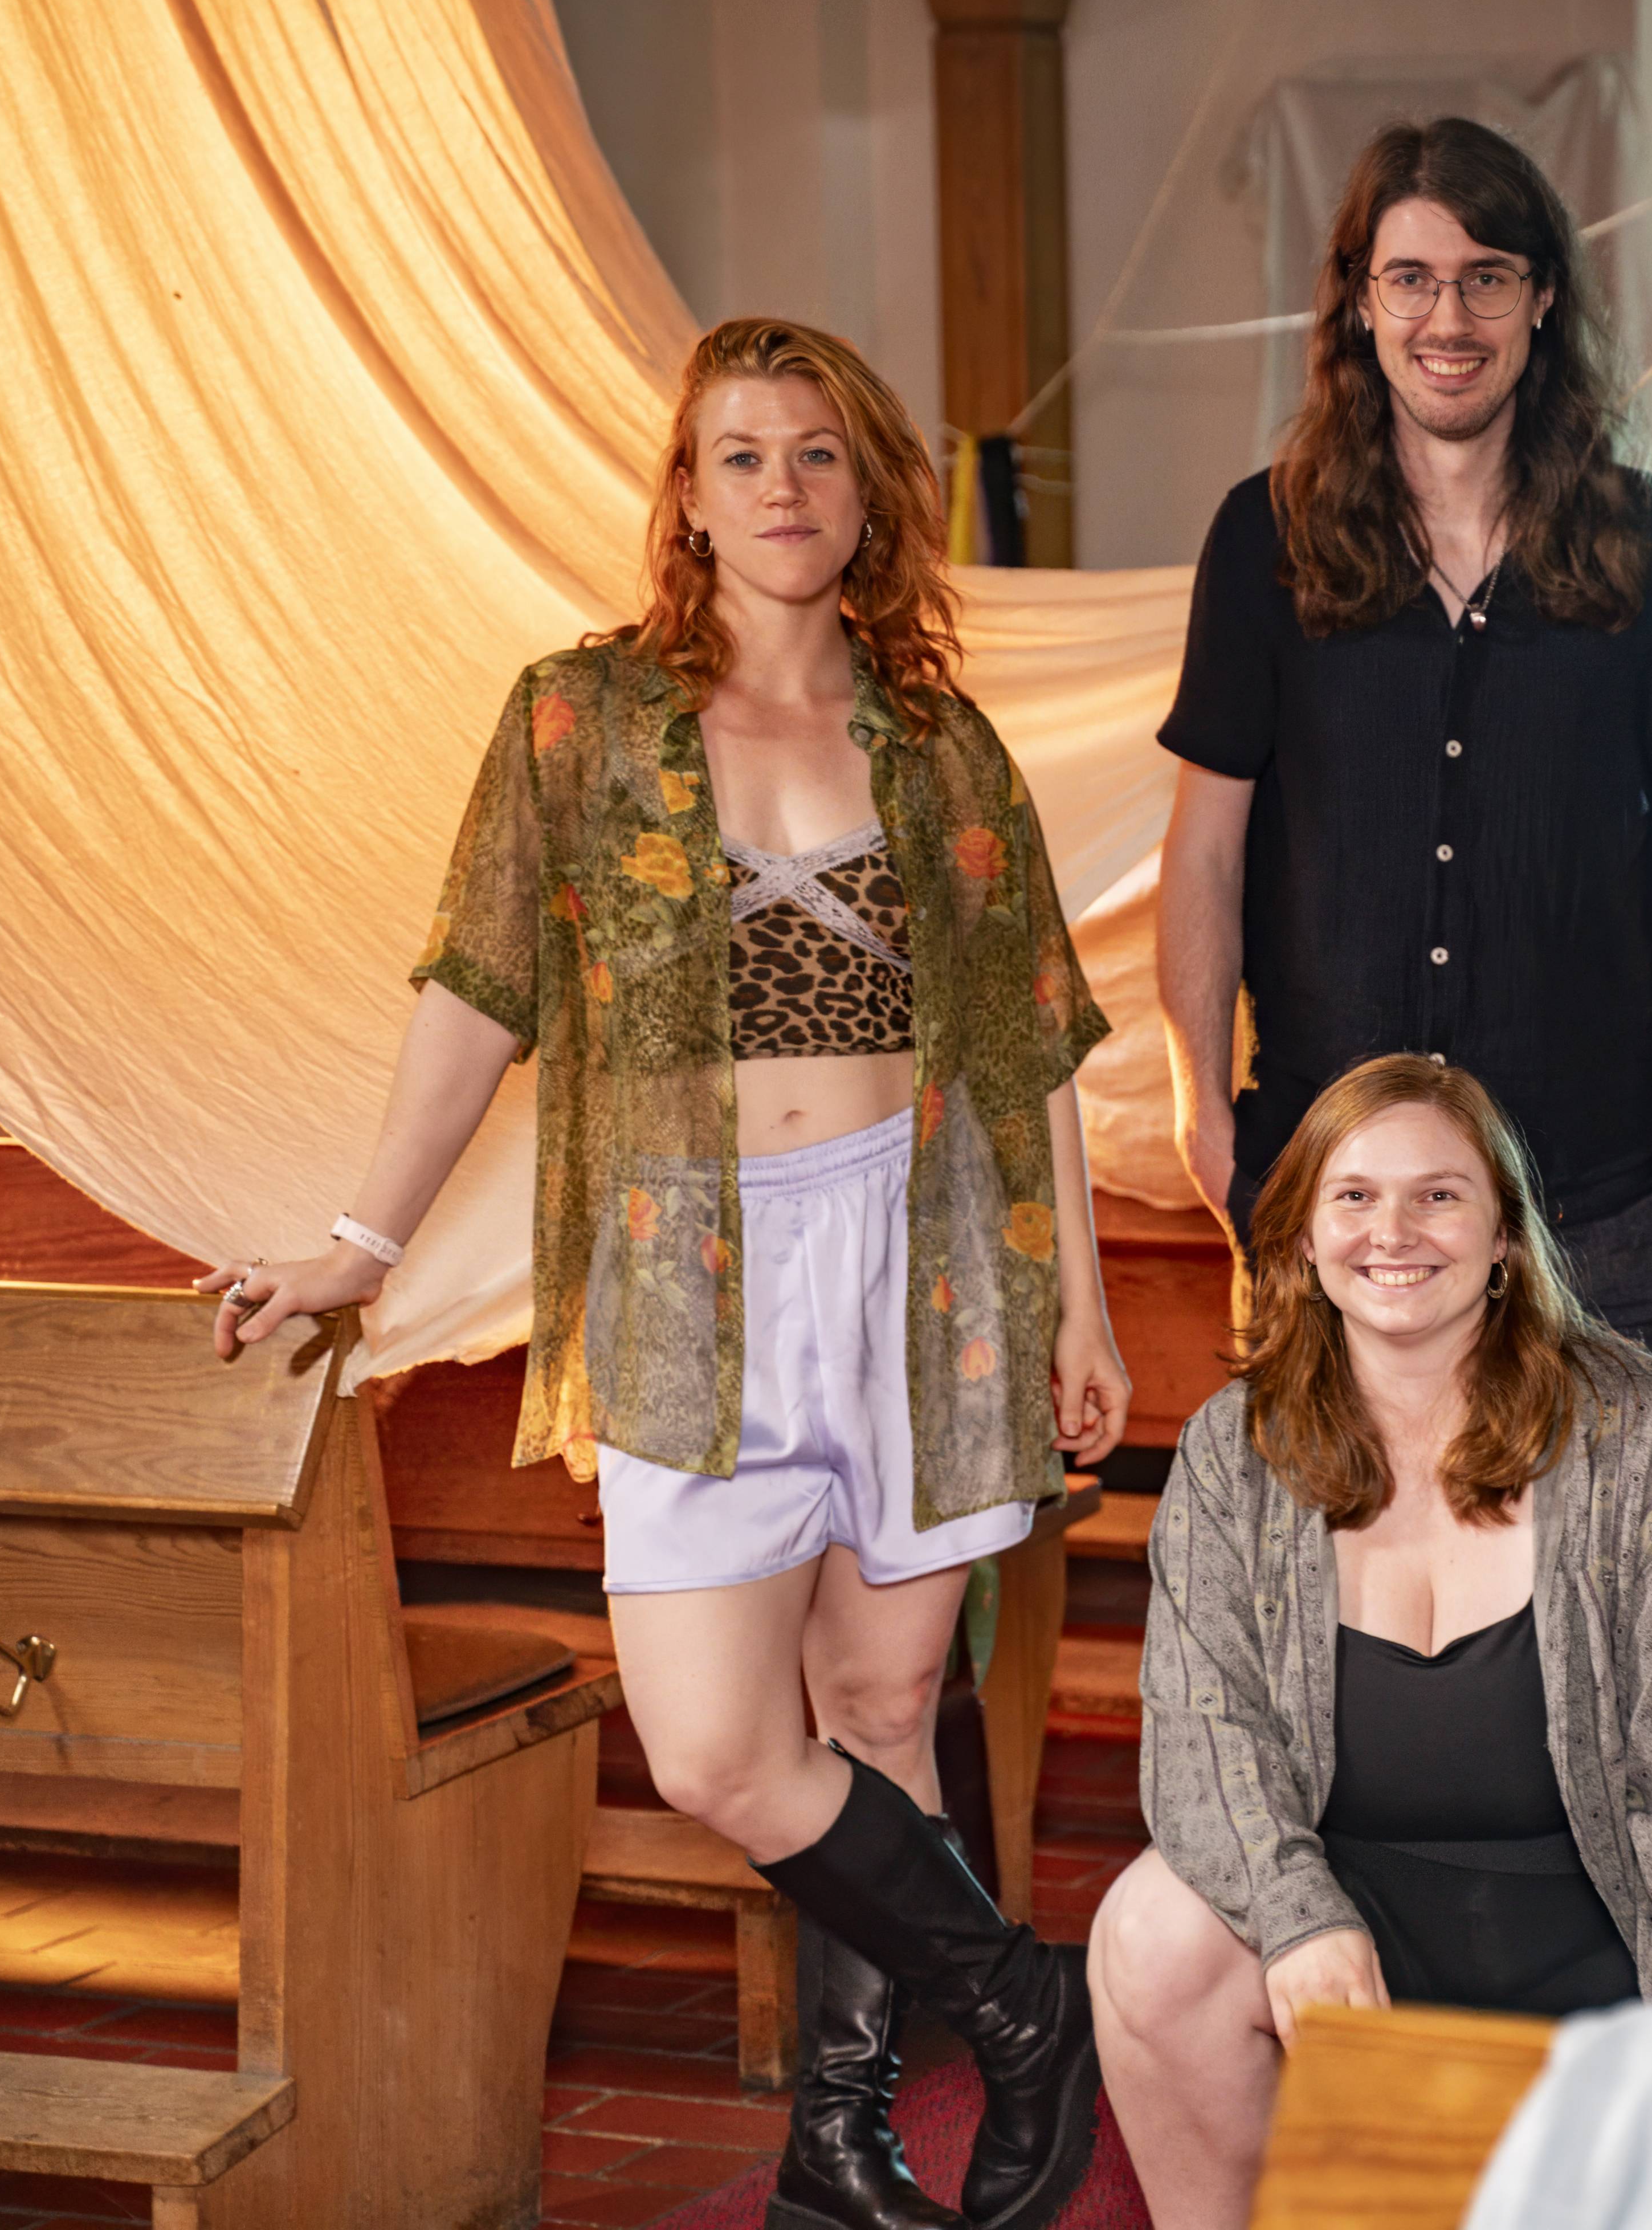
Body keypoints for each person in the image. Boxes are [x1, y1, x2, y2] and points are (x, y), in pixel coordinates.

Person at [203, 319, 1127, 2230]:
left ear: (870, 496)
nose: (784, 488)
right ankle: (1028, 2005)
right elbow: (476, 992)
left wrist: (1088, 1310)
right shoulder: (583, 719)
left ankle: (842, 2148)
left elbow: (1033, 1038)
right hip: (690, 1272)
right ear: (687, 498)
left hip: (930, 1265)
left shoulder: (942, 742)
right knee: (716, 1748)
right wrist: (360, 1248)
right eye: (743, 457)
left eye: (819, 454)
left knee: (884, 1716)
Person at [1086, 1055, 1652, 2230]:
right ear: (1303, 1238)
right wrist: (1301, 1918)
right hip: (1354, 1947)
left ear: (1506, 1236)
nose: (1395, 1233)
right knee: (1152, 1925)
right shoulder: (1237, 1450)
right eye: (1355, 1197)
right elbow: (1204, 1744)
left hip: (1607, 1947)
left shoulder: (1634, 1437)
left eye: (1439, 1195)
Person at [1155, 116, 1652, 1457]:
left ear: (1542, 299)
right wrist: (1204, 1120)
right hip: (1333, 1218)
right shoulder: (1263, 540)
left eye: (1487, 276)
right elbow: (1204, 852)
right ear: (1361, 302)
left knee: (1646, 1593)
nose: (1450, 317)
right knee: (1328, 1585)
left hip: (1598, 1216)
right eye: (1413, 279)